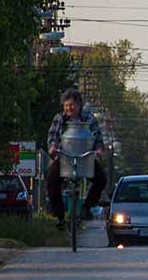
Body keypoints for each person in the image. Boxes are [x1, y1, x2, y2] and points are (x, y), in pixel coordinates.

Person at [46, 88, 107, 230]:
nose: (69, 108)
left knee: (101, 179)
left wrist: (99, 150)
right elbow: (53, 136)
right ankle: (59, 216)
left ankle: (87, 207)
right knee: (51, 178)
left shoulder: (89, 118)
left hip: (86, 159)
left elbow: (97, 136)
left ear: (79, 104)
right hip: (65, 158)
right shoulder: (60, 118)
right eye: (66, 105)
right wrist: (53, 147)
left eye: (72, 105)